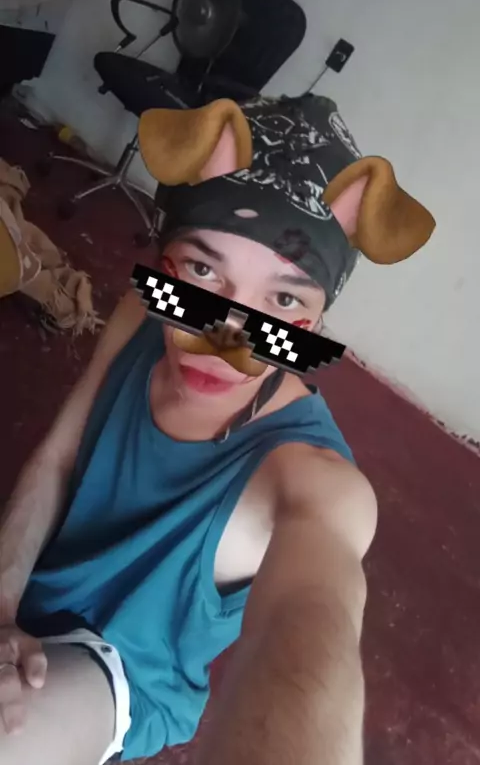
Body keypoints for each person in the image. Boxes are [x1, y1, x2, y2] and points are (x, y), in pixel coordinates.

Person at [0, 94, 435, 765]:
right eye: (202, 273)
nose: (226, 338)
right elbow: (59, 457)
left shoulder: (317, 485)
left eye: (282, 301)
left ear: (316, 322)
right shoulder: (143, 313)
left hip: (122, 670)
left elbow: (307, 647)